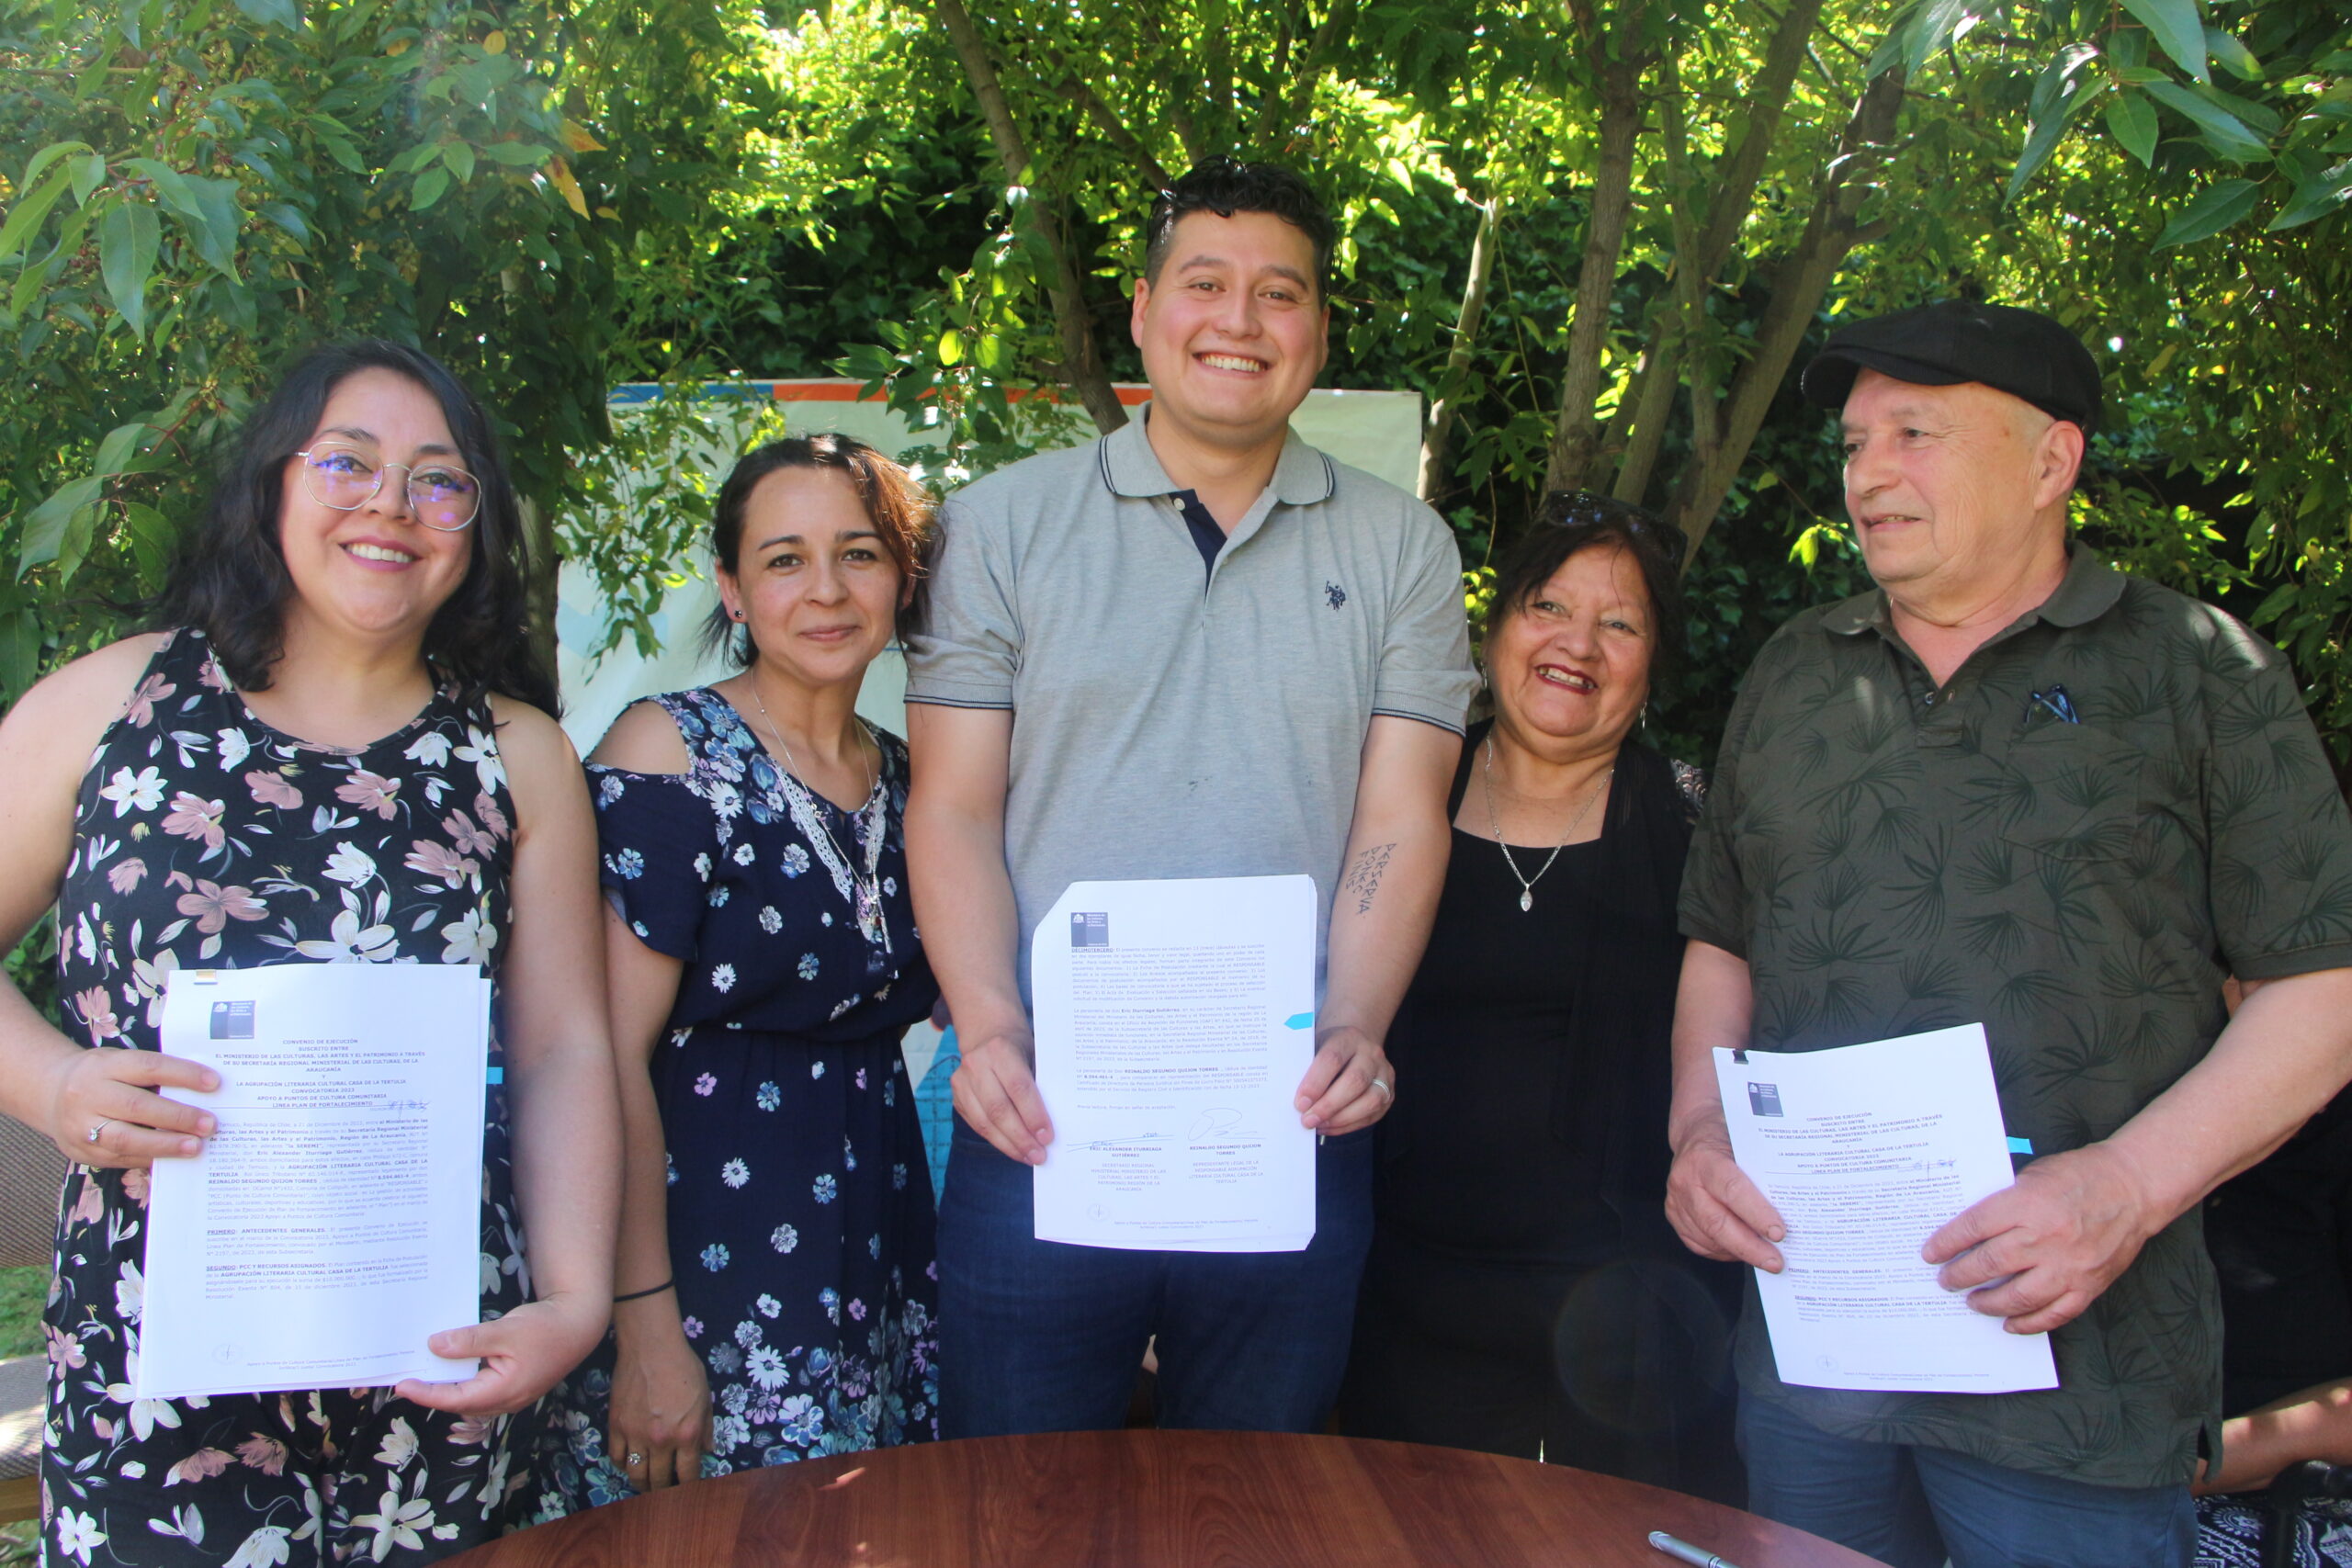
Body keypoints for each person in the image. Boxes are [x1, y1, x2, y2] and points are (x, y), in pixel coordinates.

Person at [1664, 299, 2352, 1568]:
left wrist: (2125, 1186)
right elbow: (1723, 940)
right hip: (1819, 1355)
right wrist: (1699, 1128)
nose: (1868, 473)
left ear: (2051, 461)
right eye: (1855, 445)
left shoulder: (2197, 669)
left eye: (1913, 435)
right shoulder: (1796, 671)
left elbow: (2322, 985)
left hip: (2082, 1395)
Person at [0, 340, 619, 1564]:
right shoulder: (109, 705)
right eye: (347, 462)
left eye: (438, 480)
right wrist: (53, 1081)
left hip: (443, 1356)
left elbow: (562, 1048)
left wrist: (573, 1299)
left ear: (474, 524)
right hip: (154, 1361)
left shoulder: (517, 754)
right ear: (272, 483)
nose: (391, 503)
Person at [905, 157, 1478, 1435]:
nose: (1240, 320)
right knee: (1018, 1506)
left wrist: (1357, 1022)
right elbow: (950, 806)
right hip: (1040, 1108)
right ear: (1143, 311)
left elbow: (1400, 817)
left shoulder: (1403, 547)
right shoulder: (998, 527)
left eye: (1281, 293)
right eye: (1205, 283)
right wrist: (989, 1028)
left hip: (1291, 1115)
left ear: (1318, 329)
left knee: (1256, 1501)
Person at [533, 435, 942, 1516]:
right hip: (703, 1247)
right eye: (784, 559)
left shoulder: (910, 777)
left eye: (859, 554)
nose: (826, 589)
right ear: (731, 588)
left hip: (873, 1237)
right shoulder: (669, 752)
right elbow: (599, 1059)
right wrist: (644, 1323)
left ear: (902, 579)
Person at [1335, 491, 1741, 1500]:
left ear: (1653, 664)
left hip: (1633, 1312)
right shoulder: (1391, 803)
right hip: (1408, 1290)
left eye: (1620, 624)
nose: (1578, 645)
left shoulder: (1699, 826)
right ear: (1495, 627)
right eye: (1549, 607)